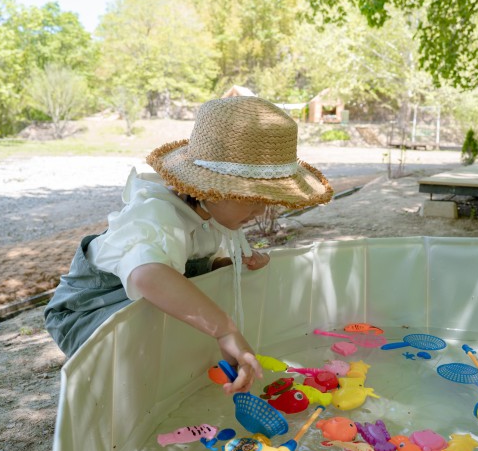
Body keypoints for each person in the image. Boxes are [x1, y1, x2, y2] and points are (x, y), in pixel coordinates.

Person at [44, 96, 333, 393]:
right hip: (89, 313)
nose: (261, 211)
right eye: (256, 199)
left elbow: (186, 258)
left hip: (139, 298)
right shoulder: (155, 213)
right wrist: (225, 330)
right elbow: (148, 274)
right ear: (217, 190)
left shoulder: (212, 212)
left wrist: (221, 263)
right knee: (145, 355)